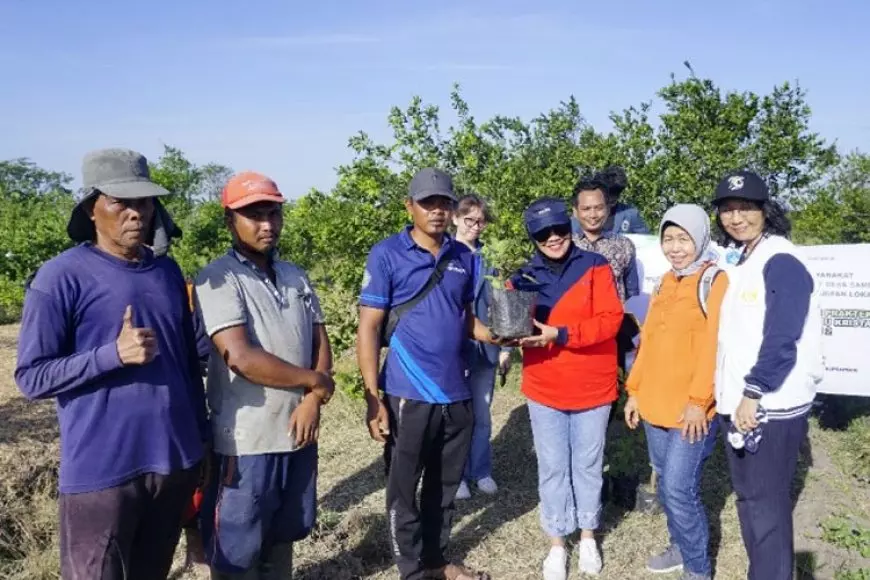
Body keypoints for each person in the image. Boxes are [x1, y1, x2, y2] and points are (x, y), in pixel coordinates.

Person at [14, 148, 209, 580]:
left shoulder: (167, 272)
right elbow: (31, 376)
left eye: (144, 202)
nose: (136, 213)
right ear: (92, 207)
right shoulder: (60, 277)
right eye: (122, 202)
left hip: (173, 464)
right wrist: (112, 355)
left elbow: (189, 365)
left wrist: (201, 440)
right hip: (103, 472)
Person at [356, 168, 505, 580]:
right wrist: (373, 399)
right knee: (404, 490)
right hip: (407, 392)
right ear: (410, 207)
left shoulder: (464, 258)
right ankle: (411, 570)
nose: (438, 211)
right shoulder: (387, 254)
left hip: (455, 392)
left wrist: (502, 336)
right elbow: (368, 328)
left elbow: (467, 320)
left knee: (443, 489)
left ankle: (437, 561)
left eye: (445, 203)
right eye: (428, 203)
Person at [194, 171, 336, 579]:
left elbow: (318, 341)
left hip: (296, 433)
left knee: (283, 535)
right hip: (246, 440)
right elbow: (241, 357)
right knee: (238, 550)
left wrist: (313, 399)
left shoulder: (296, 275)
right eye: (254, 215)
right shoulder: (218, 278)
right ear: (230, 221)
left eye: (273, 213)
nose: (266, 224)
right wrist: (312, 382)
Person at [712, 170, 823, 580]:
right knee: (751, 503)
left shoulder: (782, 259)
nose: (736, 217)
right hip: (746, 405)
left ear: (765, 210)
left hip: (769, 406)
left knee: (767, 509)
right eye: (727, 209)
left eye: (746, 208)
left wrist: (754, 390)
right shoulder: (747, 256)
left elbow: (783, 334)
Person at [509, 198, 624, 579]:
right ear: (532, 236)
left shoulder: (596, 267)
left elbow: (610, 321)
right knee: (553, 466)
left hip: (593, 385)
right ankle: (558, 542)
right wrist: (506, 338)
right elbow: (512, 329)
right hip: (545, 388)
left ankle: (588, 534)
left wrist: (560, 334)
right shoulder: (521, 278)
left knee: (588, 464)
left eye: (559, 229)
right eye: (543, 233)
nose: (554, 237)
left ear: (569, 226)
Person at [624, 204, 728, 580]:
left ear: (700, 238)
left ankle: (698, 569)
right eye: (669, 238)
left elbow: (715, 347)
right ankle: (679, 547)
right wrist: (634, 391)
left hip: (692, 409)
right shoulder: (666, 281)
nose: (675, 247)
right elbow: (648, 342)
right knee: (666, 484)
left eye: (683, 238)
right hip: (654, 402)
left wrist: (700, 402)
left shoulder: (714, 281)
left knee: (680, 489)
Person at [451, 194, 512, 501]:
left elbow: (503, 304)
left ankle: (481, 470)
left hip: (486, 348)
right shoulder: (444, 254)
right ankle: (456, 475)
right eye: (468, 220)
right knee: (457, 416)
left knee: (482, 414)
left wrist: (506, 349)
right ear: (455, 219)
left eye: (480, 221)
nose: (474, 227)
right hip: (452, 349)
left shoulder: (492, 259)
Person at [572, 175, 640, 303]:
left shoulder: (625, 246)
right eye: (586, 209)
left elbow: (631, 292)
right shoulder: (565, 246)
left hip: (613, 321)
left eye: (599, 208)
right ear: (575, 212)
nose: (593, 215)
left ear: (608, 209)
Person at [570, 166, 650, 236]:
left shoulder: (631, 214)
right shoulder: (580, 215)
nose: (613, 198)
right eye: (609, 194)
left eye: (617, 194)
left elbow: (645, 241)